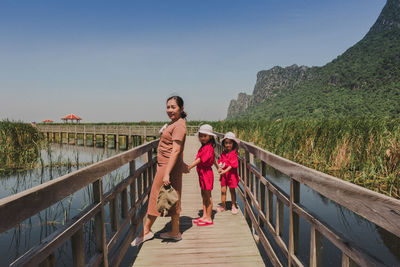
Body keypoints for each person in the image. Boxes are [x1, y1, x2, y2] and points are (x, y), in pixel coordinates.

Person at [131, 96, 188, 246]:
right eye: (168, 107)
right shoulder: (175, 123)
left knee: (155, 198)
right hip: (169, 166)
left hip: (167, 167)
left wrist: (167, 172)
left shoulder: (179, 125)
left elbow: (176, 150)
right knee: (174, 197)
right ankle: (175, 232)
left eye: (173, 107)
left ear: (181, 109)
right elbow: (174, 147)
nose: (170, 110)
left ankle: (146, 231)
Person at [187, 124, 218, 226]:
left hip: (206, 173)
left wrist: (189, 166)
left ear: (210, 137)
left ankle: (209, 218)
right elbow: (213, 159)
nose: (202, 138)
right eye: (201, 136)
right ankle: (204, 215)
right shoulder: (204, 147)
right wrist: (218, 167)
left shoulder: (208, 148)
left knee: (208, 195)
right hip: (201, 172)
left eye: (205, 136)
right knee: (203, 194)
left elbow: (200, 159)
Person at [216, 132, 240, 214]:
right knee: (223, 190)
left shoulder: (234, 154)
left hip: (231, 175)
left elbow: (231, 166)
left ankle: (233, 205)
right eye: (226, 143)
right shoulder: (223, 153)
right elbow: (220, 162)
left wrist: (223, 171)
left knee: (232, 190)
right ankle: (223, 205)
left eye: (230, 143)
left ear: (233, 144)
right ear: (224, 143)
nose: (228, 145)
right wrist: (219, 168)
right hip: (224, 175)